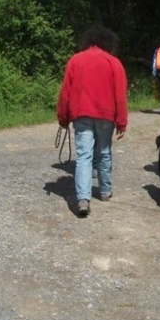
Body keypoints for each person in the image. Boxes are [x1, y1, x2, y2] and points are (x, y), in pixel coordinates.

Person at [56, 25, 128, 217]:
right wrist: (121, 121)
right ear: (108, 42)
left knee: (84, 156)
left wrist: (63, 117)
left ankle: (83, 199)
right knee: (104, 152)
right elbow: (120, 95)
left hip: (81, 115)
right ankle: (105, 191)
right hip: (106, 116)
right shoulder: (114, 62)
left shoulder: (75, 60)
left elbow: (65, 92)